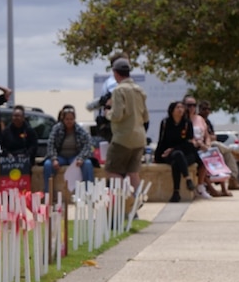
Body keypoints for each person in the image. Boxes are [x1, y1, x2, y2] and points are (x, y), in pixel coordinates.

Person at [104, 58, 149, 190]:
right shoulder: (139, 90)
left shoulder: (119, 90)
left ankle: (126, 201)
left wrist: (108, 112)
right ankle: (136, 201)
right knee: (133, 173)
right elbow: (146, 117)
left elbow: (117, 115)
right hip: (139, 138)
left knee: (112, 171)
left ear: (115, 73)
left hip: (122, 138)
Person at [43, 105, 95, 193]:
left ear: (74, 119)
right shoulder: (56, 129)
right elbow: (50, 144)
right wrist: (54, 158)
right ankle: (48, 194)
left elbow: (88, 144)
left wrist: (81, 158)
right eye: (67, 119)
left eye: (71, 119)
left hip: (75, 157)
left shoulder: (80, 130)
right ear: (63, 119)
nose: (69, 121)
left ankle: (89, 193)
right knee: (48, 165)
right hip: (60, 156)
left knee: (88, 164)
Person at [154, 101, 198, 202]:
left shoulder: (187, 123)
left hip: (186, 153)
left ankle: (176, 193)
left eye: (182, 107)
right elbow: (162, 140)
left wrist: (173, 149)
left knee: (176, 161)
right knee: (177, 158)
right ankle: (187, 179)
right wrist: (158, 156)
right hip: (169, 154)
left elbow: (189, 143)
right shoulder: (165, 123)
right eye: (178, 107)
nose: (180, 110)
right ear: (172, 110)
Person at [199, 99, 239, 190]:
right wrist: (208, 138)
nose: (207, 111)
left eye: (208, 109)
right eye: (204, 109)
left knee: (228, 155)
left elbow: (213, 136)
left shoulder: (208, 122)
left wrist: (209, 138)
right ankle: (233, 150)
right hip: (201, 147)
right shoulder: (197, 120)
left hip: (210, 145)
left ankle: (233, 179)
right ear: (200, 110)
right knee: (216, 144)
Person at [183, 94, 215, 198]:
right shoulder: (183, 120)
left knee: (212, 153)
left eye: (193, 105)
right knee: (201, 158)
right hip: (191, 146)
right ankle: (203, 187)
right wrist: (197, 143)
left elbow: (207, 135)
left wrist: (207, 144)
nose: (191, 108)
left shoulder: (200, 119)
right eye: (189, 105)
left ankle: (202, 186)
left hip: (202, 146)